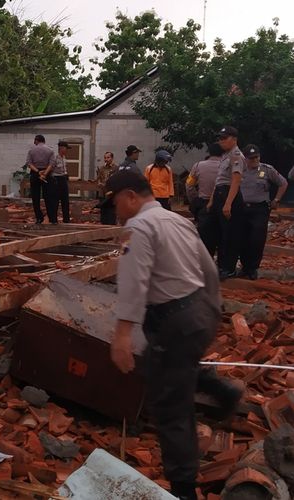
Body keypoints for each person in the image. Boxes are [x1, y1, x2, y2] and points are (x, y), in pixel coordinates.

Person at [105, 171, 243, 500]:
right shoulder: (175, 219)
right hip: (200, 309)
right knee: (165, 365)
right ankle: (221, 391)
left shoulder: (137, 227)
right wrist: (213, 311)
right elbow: (207, 267)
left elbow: (133, 282)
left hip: (174, 320)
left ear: (129, 196)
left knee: (171, 406)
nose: (115, 211)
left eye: (114, 203)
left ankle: (184, 490)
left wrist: (122, 335)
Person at [238, 145, 288, 280]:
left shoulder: (266, 169)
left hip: (259, 210)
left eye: (257, 157)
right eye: (251, 158)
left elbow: (283, 183)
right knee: (243, 239)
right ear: (245, 158)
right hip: (242, 209)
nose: (255, 160)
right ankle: (245, 267)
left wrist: (276, 199)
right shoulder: (239, 170)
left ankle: (253, 268)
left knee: (256, 239)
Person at [210, 126, 245, 280]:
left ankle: (229, 268)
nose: (221, 141)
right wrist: (212, 200)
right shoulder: (225, 155)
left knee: (230, 234)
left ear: (234, 139)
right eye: (220, 138)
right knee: (218, 232)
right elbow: (219, 180)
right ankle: (221, 265)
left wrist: (228, 203)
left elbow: (236, 180)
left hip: (229, 195)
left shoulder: (236, 155)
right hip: (220, 194)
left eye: (225, 138)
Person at [186, 144, 223, 257]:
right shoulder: (226, 166)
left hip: (203, 204)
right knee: (222, 234)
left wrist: (195, 199)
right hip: (223, 204)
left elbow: (189, 185)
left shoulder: (198, 166)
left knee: (205, 236)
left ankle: (206, 262)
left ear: (209, 152)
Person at [25, 134, 56, 224]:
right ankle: (52, 218)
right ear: (44, 141)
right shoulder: (50, 150)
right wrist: (45, 173)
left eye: (35, 141)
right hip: (47, 174)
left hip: (35, 174)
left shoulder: (31, 150)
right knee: (48, 197)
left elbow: (29, 163)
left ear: (36, 140)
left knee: (35, 197)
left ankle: (39, 218)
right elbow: (52, 164)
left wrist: (38, 172)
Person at [45, 141, 72, 224]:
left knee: (65, 200)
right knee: (55, 200)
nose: (67, 150)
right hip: (56, 179)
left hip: (63, 179)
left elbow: (65, 170)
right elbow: (50, 169)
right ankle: (53, 220)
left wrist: (66, 175)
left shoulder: (64, 158)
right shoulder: (55, 158)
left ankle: (66, 219)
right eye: (66, 148)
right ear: (62, 148)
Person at [96, 151, 118, 225]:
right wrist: (99, 183)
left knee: (111, 213)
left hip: (111, 194)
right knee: (103, 213)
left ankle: (111, 230)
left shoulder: (116, 168)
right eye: (105, 158)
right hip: (103, 193)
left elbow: (117, 180)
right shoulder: (101, 168)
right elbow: (98, 178)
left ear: (112, 158)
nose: (106, 159)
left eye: (108, 157)